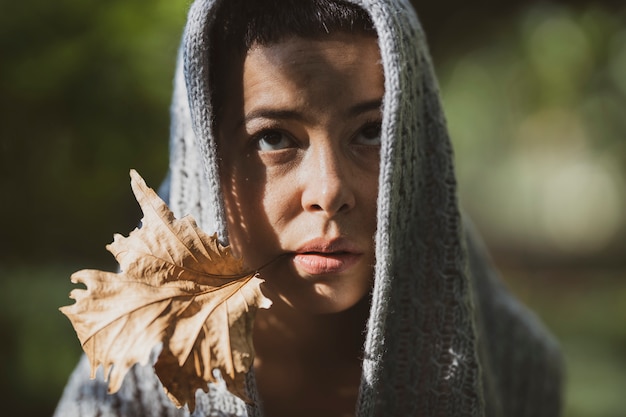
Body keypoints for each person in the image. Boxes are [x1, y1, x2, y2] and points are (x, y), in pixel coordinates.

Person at [53, 0, 564, 416]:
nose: (330, 189)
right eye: (274, 137)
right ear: (206, 162)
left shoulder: (509, 361)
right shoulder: (130, 385)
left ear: (416, 147)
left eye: (371, 132)